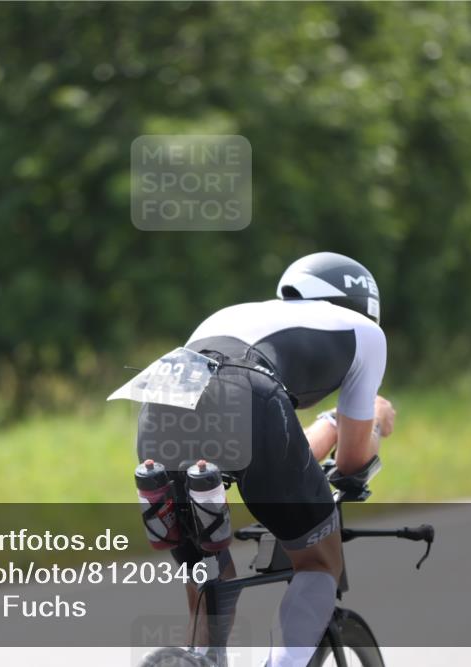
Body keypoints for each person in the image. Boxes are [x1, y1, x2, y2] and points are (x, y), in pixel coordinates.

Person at [136, 252, 397, 667]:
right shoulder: (364, 331)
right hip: (251, 397)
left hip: (160, 397)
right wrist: (375, 422)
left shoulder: (232, 315)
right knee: (318, 560)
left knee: (208, 562)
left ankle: (199, 656)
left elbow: (275, 455)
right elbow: (350, 461)